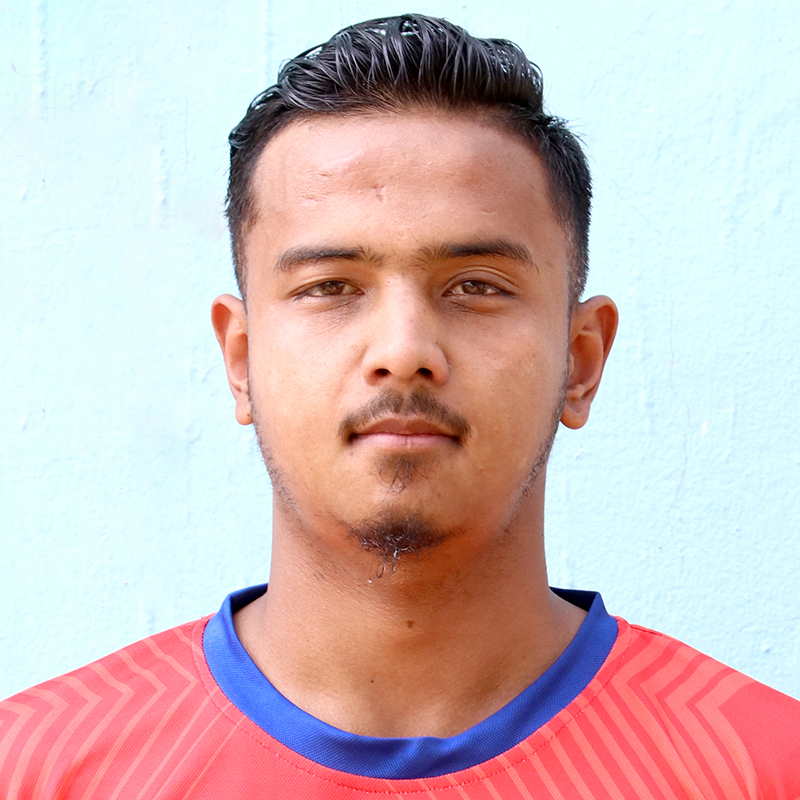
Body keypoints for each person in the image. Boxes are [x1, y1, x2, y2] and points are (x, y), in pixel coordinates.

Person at [1, 13, 798, 799]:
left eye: (476, 286)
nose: (404, 349)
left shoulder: (763, 769)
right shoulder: (32, 769)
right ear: (241, 361)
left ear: (580, 363)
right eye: (330, 287)